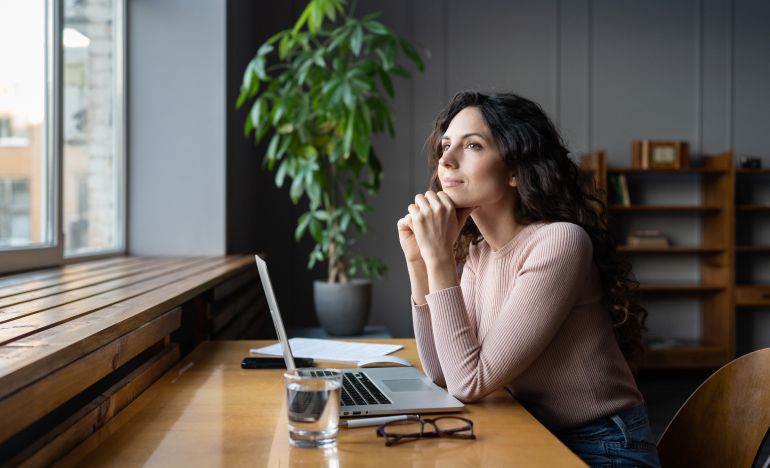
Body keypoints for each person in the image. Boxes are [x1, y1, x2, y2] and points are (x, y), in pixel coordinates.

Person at [396, 90, 661, 467]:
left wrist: (440, 257)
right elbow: (442, 372)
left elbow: (469, 383)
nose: (447, 160)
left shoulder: (560, 242)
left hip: (601, 447)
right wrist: (419, 261)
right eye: (445, 146)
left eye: (472, 145)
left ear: (517, 171)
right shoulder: (480, 255)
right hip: (535, 432)